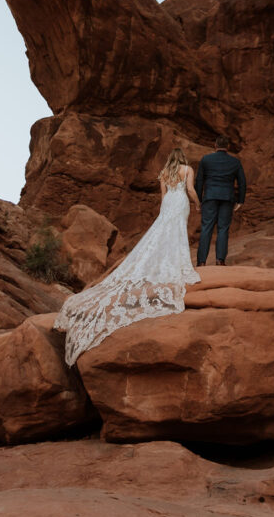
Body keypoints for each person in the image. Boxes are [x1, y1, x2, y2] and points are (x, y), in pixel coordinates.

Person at [54, 147, 201, 366]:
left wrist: (163, 213)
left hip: (169, 204)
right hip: (179, 203)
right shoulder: (187, 169)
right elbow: (189, 189)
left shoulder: (163, 173)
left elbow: (162, 198)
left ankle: (158, 263)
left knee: (162, 231)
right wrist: (197, 202)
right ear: (183, 159)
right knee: (177, 230)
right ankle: (174, 263)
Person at [195, 135, 246, 266]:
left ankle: (201, 262)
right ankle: (220, 260)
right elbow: (242, 182)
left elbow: (199, 180)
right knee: (223, 228)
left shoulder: (206, 159)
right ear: (228, 147)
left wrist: (198, 199)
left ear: (215, 145)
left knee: (206, 228)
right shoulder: (235, 162)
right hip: (227, 197)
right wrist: (240, 200)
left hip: (210, 196)